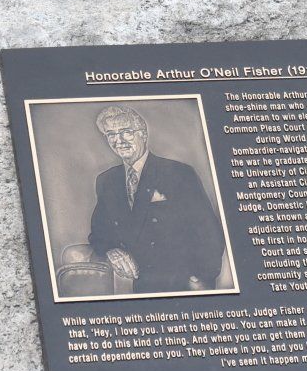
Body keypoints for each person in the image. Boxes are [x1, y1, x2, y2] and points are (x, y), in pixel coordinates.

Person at [87, 105, 224, 294]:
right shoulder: (106, 180)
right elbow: (99, 232)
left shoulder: (178, 173)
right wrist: (111, 250)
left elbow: (207, 230)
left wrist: (201, 277)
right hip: (132, 283)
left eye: (126, 132)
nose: (119, 141)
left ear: (143, 134)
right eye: (111, 134)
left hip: (178, 281)